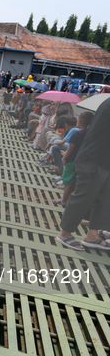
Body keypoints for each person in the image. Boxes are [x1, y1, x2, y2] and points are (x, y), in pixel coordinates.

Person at [56, 99, 110, 251]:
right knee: (83, 197)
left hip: (103, 160)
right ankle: (65, 234)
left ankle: (93, 235)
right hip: (94, 159)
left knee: (104, 198)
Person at [53, 112, 94, 207]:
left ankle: (63, 200)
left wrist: (64, 157)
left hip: (71, 160)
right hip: (81, 160)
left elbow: (71, 147)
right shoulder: (89, 134)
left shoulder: (77, 133)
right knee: (74, 181)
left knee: (68, 181)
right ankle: (68, 199)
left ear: (79, 121)